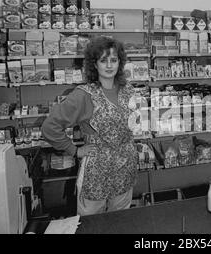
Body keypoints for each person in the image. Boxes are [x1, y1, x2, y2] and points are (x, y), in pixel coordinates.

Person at [42, 36, 138, 216]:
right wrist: (74, 150)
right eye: (103, 60)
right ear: (94, 64)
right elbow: (50, 127)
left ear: (120, 62)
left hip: (125, 167)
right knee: (92, 223)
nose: (109, 65)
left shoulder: (128, 90)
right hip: (96, 171)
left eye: (114, 60)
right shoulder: (84, 95)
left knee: (122, 220)